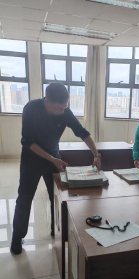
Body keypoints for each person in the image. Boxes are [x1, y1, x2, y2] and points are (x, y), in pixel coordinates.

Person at [10, 82, 102, 255]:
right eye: (59, 108)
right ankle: (17, 237)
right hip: (31, 159)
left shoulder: (65, 111)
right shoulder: (31, 109)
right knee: (25, 198)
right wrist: (52, 159)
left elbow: (82, 132)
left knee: (56, 197)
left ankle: (56, 229)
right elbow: (28, 141)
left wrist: (96, 154)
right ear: (47, 101)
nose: (62, 111)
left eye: (65, 107)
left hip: (53, 158)